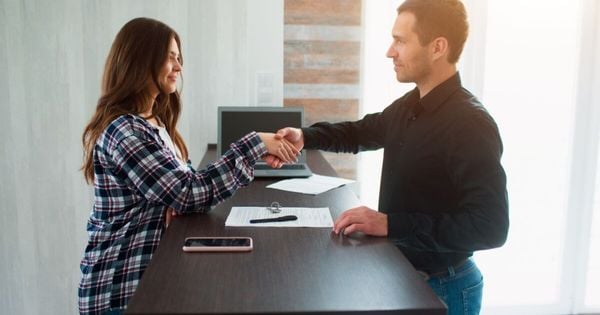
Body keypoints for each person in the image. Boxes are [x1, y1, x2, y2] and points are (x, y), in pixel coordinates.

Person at [266, 0, 509, 314]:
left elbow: (491, 227)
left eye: (401, 41)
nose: (390, 51)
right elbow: (361, 132)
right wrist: (305, 137)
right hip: (408, 276)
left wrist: (390, 223)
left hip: (446, 289)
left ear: (438, 47)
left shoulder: (470, 124)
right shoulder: (412, 105)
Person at [78, 17, 298, 315]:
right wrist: (255, 143)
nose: (179, 68)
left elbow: (187, 187)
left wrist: (181, 198)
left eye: (179, 59)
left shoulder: (153, 125)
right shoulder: (125, 133)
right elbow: (188, 191)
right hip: (120, 292)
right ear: (142, 58)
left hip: (150, 279)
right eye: (171, 58)